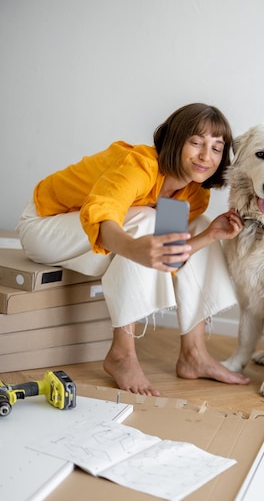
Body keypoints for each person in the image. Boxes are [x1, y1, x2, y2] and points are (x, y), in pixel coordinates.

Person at [17, 102, 250, 396]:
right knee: (147, 218)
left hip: (90, 236)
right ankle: (122, 353)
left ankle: (194, 354)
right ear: (176, 140)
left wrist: (210, 235)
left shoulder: (193, 193)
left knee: (201, 224)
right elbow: (103, 214)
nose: (207, 155)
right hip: (43, 225)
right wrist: (135, 249)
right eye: (196, 143)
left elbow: (169, 253)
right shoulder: (139, 164)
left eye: (217, 148)